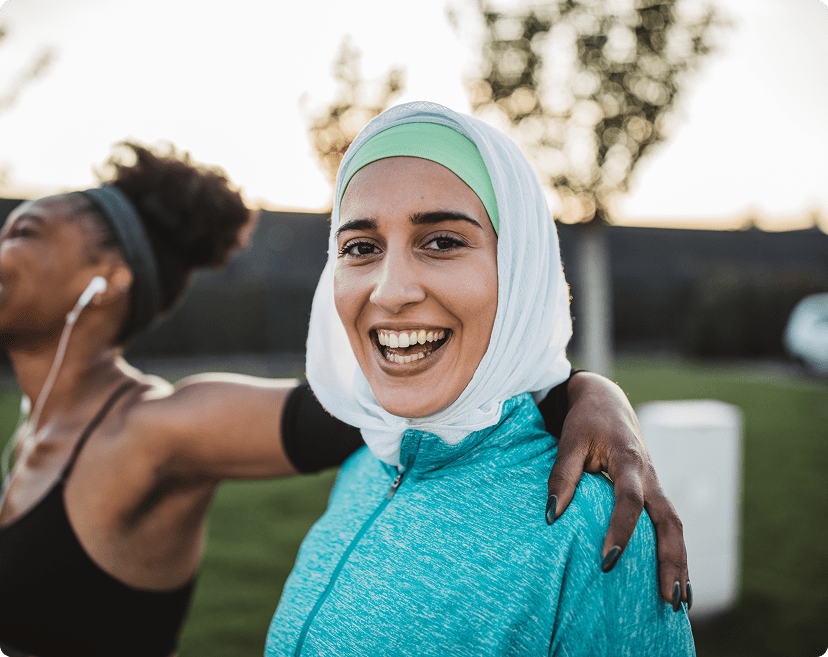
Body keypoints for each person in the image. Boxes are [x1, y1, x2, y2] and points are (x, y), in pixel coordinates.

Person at [0, 141, 687, 657]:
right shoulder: (32, 429)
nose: (390, 287)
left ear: (107, 279)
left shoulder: (155, 429)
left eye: (22, 231)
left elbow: (372, 397)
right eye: (359, 247)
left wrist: (585, 393)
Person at [265, 101, 695, 655]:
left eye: (442, 241)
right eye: (361, 248)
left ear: (519, 269)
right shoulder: (364, 463)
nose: (390, 291)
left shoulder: (594, 527)